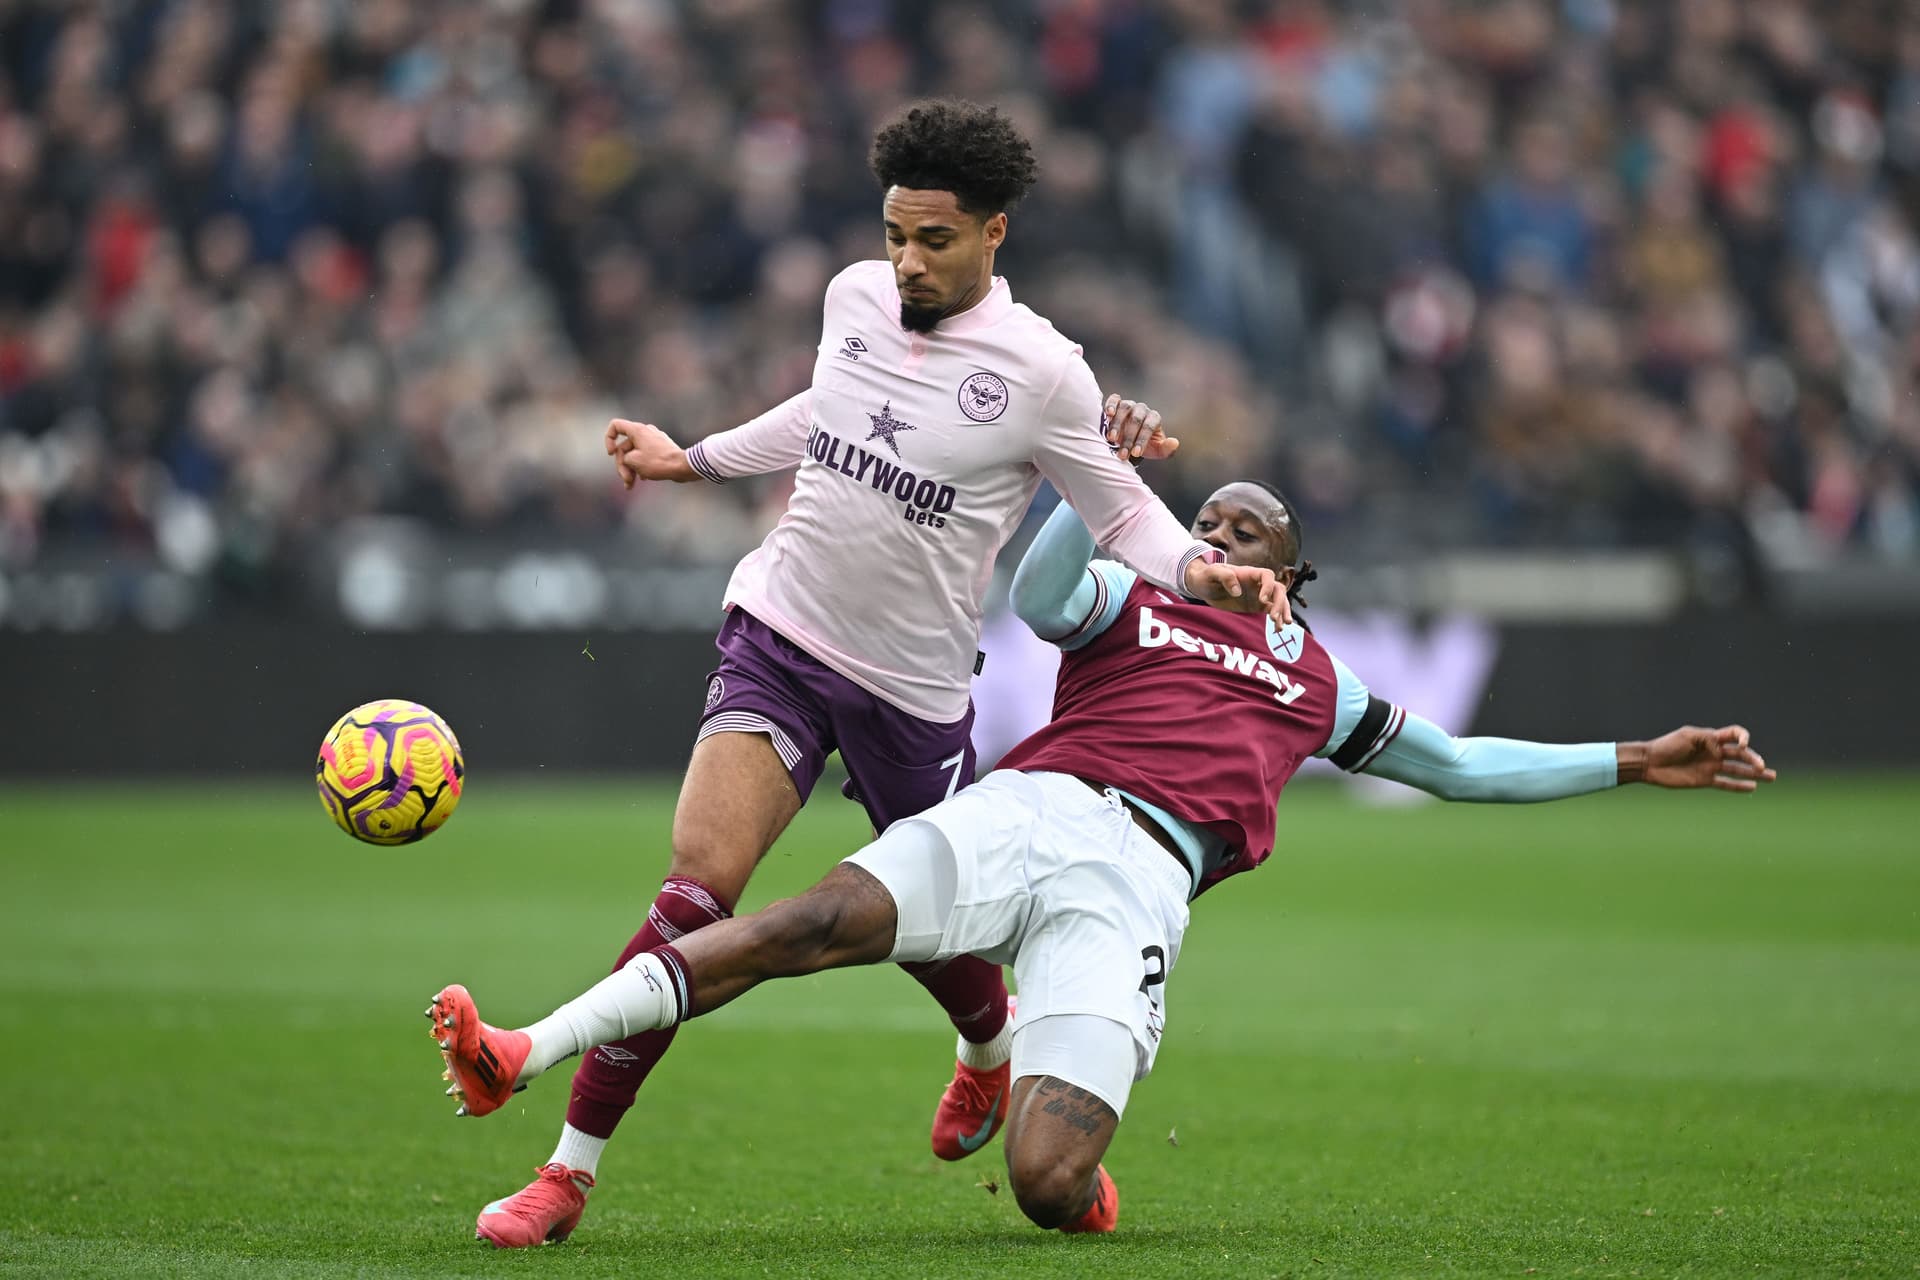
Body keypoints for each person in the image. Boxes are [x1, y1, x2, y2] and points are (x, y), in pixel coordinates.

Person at [428, 479, 1776, 1237]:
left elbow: (1462, 765)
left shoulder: (1316, 682)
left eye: (1254, 532)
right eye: (1214, 521)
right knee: (807, 920)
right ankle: (525, 1050)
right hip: (1037, 807)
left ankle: (1040, 1132)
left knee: (1046, 1183)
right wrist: (1090, 485)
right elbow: (1037, 594)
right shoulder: (1132, 594)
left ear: (1295, 577)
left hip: (1140, 886)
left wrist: (1636, 759)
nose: (1225, 537)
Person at [462, 98, 1291, 1248]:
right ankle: (566, 1171)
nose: (907, 259)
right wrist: (690, 459)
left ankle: (988, 1050)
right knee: (696, 890)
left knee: (938, 935)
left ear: (994, 234)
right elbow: (826, 412)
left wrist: (1204, 575)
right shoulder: (853, 295)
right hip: (781, 632)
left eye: (935, 240)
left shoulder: (1046, 372)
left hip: (912, 691)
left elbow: (1127, 516)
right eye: (896, 233)